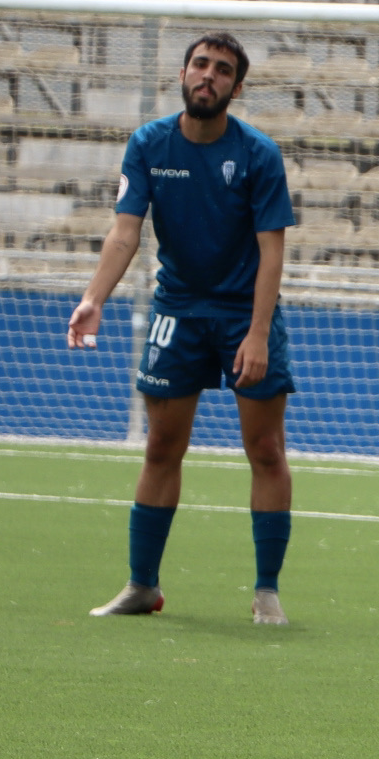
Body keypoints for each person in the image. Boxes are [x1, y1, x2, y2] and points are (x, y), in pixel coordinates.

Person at [70, 31, 297, 625]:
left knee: (266, 449)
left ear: (236, 87)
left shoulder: (258, 154)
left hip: (245, 316)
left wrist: (256, 332)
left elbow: (271, 252)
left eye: (223, 70)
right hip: (177, 311)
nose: (209, 75)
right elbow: (125, 232)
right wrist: (95, 298)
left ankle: (267, 591)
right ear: (182, 74)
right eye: (200, 64)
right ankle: (142, 585)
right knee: (161, 446)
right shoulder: (149, 144)